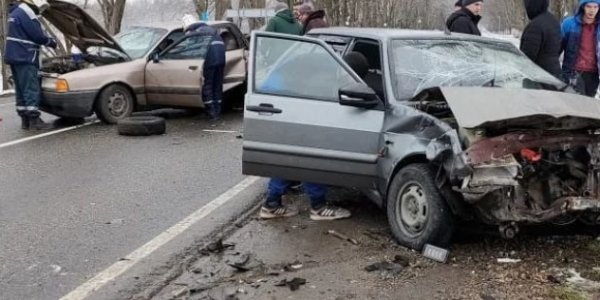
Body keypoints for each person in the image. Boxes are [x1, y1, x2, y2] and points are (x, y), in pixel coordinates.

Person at [5, 0, 57, 130]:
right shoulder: (26, 13)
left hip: (15, 55)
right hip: (25, 56)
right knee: (30, 88)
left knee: (21, 89)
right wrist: (51, 42)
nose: (39, 11)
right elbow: (37, 36)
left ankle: (25, 119)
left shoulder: (16, 12)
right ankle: (35, 120)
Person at [182, 14, 226, 120]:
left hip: (210, 60)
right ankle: (217, 111)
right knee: (217, 85)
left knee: (208, 86)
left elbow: (190, 50)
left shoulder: (194, 33)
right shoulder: (210, 29)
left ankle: (211, 113)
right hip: (221, 58)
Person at [561, 0, 600, 97]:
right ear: (583, 6)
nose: (592, 10)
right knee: (575, 103)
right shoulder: (569, 24)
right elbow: (556, 48)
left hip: (594, 74)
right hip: (573, 71)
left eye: (595, 7)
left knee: (589, 105)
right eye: (589, 6)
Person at [520, 0, 562, 79]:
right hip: (555, 74)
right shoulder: (554, 21)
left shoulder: (535, 26)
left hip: (539, 77)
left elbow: (527, 57)